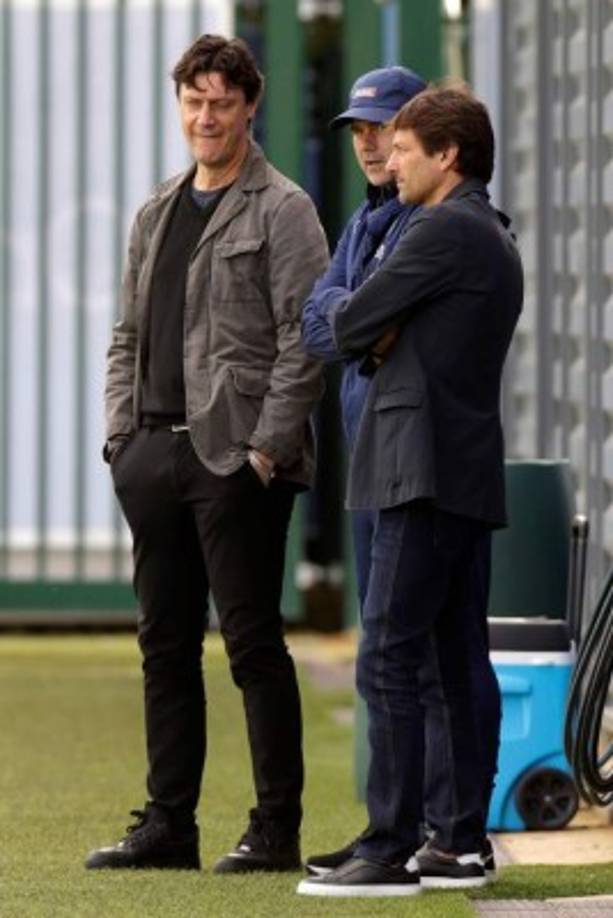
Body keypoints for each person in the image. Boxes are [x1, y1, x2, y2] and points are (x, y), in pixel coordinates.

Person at [85, 34, 328, 874]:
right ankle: (168, 824)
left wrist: (264, 450)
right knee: (165, 645)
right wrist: (122, 441)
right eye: (194, 101)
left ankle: (275, 828)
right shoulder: (157, 211)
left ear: (249, 106)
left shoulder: (283, 208)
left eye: (222, 101)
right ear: (179, 105)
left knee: (253, 645)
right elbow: (125, 336)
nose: (207, 116)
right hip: (155, 457)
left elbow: (308, 337)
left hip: (239, 464)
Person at [297, 85, 523, 898]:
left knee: (391, 650)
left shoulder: (439, 230)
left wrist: (366, 319)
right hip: (452, 467)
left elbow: (346, 323)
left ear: (446, 156)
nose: (387, 158)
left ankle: (387, 847)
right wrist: (367, 319)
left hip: (417, 469)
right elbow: (352, 320)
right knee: (453, 654)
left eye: (402, 147)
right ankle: (456, 843)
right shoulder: (477, 230)